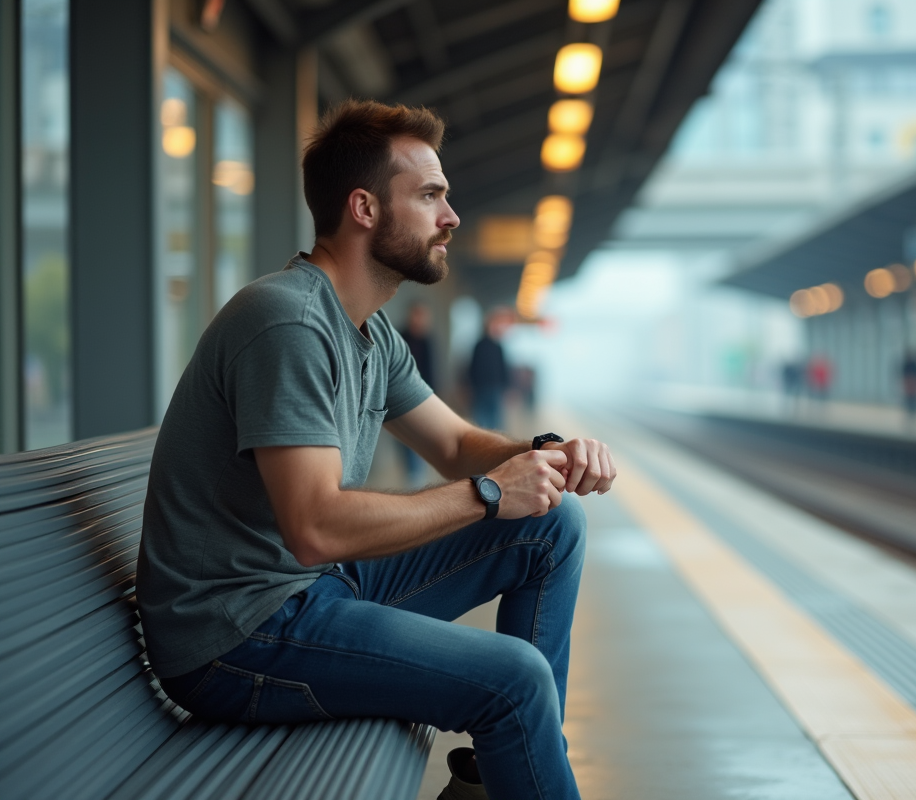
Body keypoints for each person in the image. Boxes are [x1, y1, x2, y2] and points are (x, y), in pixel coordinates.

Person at [136, 99, 616, 800]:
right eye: (429, 196)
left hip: (313, 591)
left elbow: (455, 443)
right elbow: (315, 528)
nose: (450, 217)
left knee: (552, 521)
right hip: (236, 635)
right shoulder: (289, 323)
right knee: (516, 680)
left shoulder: (368, 330)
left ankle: (500, 774)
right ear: (363, 208)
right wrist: (489, 493)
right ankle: (519, 753)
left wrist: (545, 454)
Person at [399, 302, 435, 483]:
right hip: (399, 393)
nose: (419, 319)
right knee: (403, 435)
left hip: (422, 395)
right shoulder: (400, 337)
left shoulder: (427, 340)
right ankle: (411, 471)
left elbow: (432, 370)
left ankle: (417, 470)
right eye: (417, 314)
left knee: (421, 432)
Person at [468, 309, 510, 430]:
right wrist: (469, 386)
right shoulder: (479, 345)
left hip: (496, 388)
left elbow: (503, 368)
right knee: (480, 421)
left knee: (496, 421)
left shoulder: (498, 346)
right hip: (480, 388)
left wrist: (506, 387)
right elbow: (472, 367)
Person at [900, 351, 916, 422]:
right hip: (910, 386)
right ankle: (910, 414)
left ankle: (913, 415)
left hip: (912, 386)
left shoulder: (912, 365)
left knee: (913, 400)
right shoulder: (911, 365)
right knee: (910, 400)